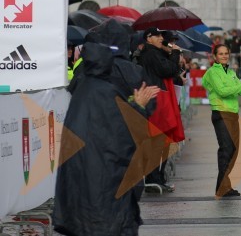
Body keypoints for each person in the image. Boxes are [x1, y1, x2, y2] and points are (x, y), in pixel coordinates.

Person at [54, 42, 160, 236]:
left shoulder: (82, 90)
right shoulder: (106, 92)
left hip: (81, 182)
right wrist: (139, 107)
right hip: (105, 183)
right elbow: (122, 136)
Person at [202, 44, 241, 198]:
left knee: (233, 150)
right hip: (221, 112)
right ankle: (222, 187)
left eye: (226, 53)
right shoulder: (213, 72)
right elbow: (222, 91)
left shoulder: (231, 72)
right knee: (227, 149)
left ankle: (225, 185)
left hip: (233, 114)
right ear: (215, 56)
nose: (224, 56)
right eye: (221, 54)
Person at [137, 27, 184, 192]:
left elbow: (171, 70)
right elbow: (168, 70)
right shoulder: (150, 54)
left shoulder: (155, 52)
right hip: (157, 100)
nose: (160, 38)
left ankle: (158, 177)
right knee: (159, 139)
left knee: (162, 140)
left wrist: (170, 52)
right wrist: (175, 54)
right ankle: (154, 178)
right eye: (157, 36)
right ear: (148, 38)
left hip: (159, 98)